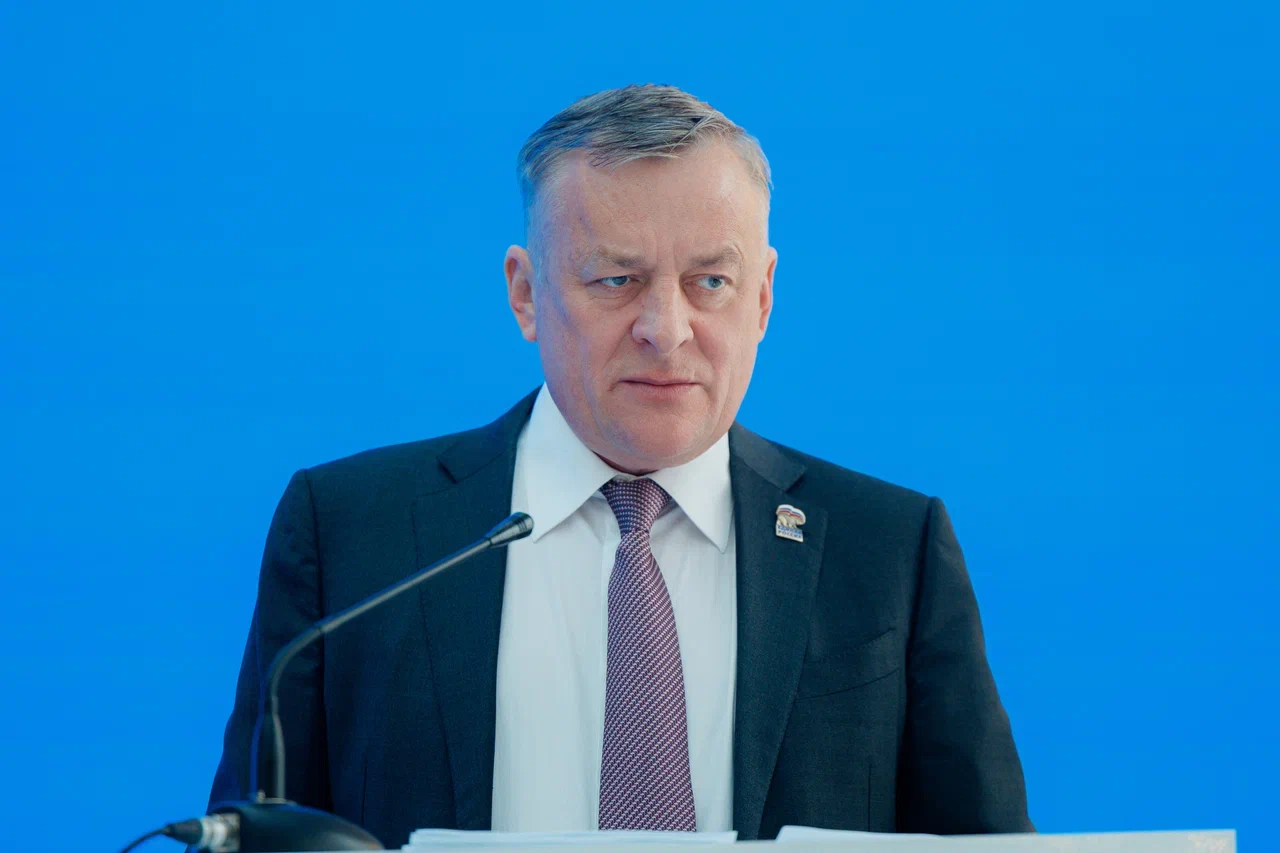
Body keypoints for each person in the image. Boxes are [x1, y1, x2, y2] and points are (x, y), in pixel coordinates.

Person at [206, 84, 1033, 847]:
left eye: (712, 280)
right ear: (525, 293)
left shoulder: (888, 550)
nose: (666, 329)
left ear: (763, 297)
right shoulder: (354, 533)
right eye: (616, 279)